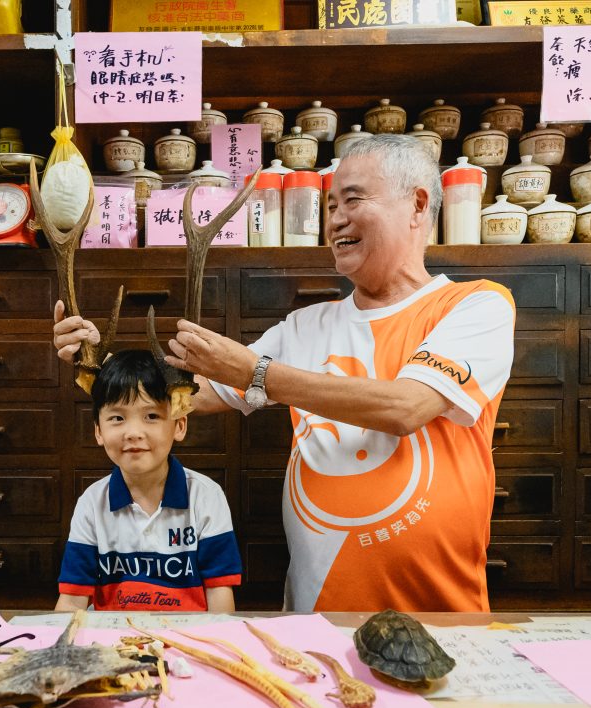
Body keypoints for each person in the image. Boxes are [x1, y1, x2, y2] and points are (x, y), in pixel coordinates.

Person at [54, 135, 515, 613]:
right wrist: (94, 368)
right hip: (316, 618)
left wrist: (257, 373)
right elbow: (185, 397)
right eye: (330, 204)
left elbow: (407, 406)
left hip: (441, 613)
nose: (334, 219)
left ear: (417, 204)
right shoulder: (303, 326)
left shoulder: (474, 305)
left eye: (353, 199)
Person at [55, 349, 242, 612]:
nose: (133, 433)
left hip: (186, 644)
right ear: (98, 430)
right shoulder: (92, 503)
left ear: (179, 425)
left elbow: (220, 598)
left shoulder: (206, 496)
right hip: (112, 645)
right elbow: (72, 601)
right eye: (117, 418)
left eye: (151, 416)